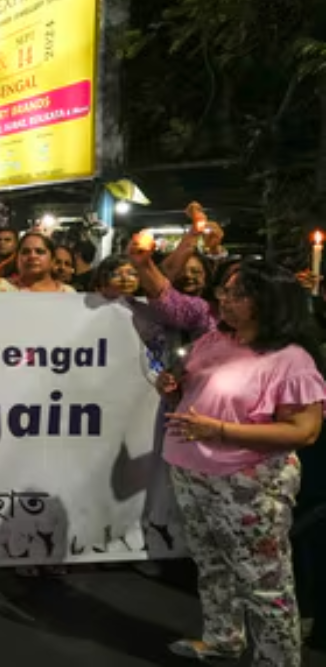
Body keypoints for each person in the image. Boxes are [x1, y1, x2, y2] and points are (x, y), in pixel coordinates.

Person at [134, 246, 325, 666]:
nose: (225, 299)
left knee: (264, 581)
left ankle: (277, 660)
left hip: (248, 482)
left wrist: (220, 431)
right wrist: (174, 387)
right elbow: (194, 387)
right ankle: (223, 638)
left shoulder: (291, 360)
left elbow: (304, 431)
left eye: (239, 294)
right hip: (192, 471)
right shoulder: (215, 339)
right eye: (227, 290)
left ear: (268, 303)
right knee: (211, 563)